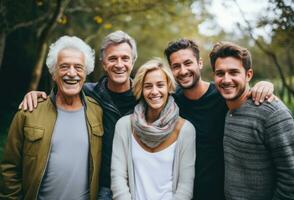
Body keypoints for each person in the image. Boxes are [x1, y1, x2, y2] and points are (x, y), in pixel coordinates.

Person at [19, 33, 274, 199]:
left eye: (125, 58)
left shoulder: (204, 99)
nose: (119, 64)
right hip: (107, 188)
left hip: (207, 191)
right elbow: (67, 86)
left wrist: (263, 88)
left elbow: (238, 90)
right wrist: (41, 94)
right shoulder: (90, 94)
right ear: (103, 63)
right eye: (113, 59)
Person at [164, 39, 275, 200]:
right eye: (176, 66)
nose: (183, 70)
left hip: (225, 193)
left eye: (188, 63)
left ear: (200, 63)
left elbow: (245, 95)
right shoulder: (171, 102)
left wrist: (265, 85)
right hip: (184, 193)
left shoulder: (223, 95)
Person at [0, 36, 104, 200]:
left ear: (85, 73)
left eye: (78, 67)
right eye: (64, 67)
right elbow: (9, 168)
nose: (71, 73)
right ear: (53, 73)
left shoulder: (98, 111)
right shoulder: (29, 112)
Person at [209, 41, 294, 200]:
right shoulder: (224, 107)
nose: (226, 79)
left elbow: (293, 180)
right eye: (220, 73)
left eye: (234, 72)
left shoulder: (272, 113)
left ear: (248, 75)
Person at [111, 58, 196, 200]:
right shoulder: (124, 126)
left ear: (168, 87)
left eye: (160, 85)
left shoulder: (185, 130)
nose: (154, 91)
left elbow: (185, 186)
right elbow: (118, 177)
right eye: (148, 86)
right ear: (141, 89)